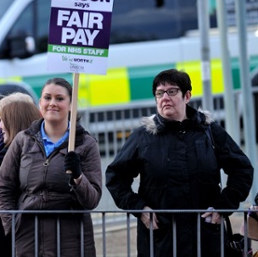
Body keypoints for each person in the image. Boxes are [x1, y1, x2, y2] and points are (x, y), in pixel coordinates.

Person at [105, 69, 254, 257]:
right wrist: (139, 208)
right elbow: (115, 176)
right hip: (161, 242)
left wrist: (223, 207)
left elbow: (242, 169)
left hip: (206, 239)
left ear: (187, 96)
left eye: (172, 91)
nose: (165, 97)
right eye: (159, 93)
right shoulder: (142, 137)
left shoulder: (209, 132)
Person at [0, 77, 102, 257]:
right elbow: (3, 187)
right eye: (47, 97)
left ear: (71, 105)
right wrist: (13, 225)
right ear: (40, 103)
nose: (52, 103)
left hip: (71, 239)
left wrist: (78, 178)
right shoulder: (23, 140)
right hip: (29, 237)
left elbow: (92, 200)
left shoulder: (86, 143)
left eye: (59, 99)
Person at [0, 93, 41, 257]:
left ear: (15, 122)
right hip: (11, 234)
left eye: (3, 120)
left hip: (10, 236)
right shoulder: (2, 151)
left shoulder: (9, 154)